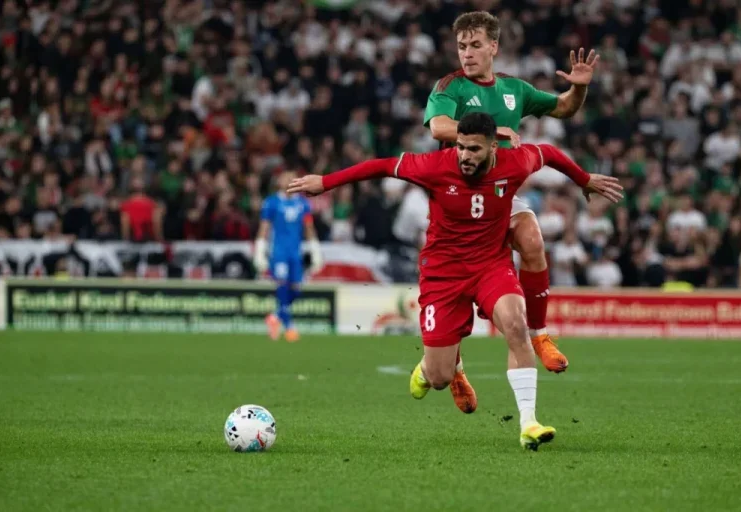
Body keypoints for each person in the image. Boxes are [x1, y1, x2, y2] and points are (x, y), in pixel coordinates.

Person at [287, 113, 622, 449]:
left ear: (494, 146)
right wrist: (326, 182)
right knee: (438, 377)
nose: (464, 155)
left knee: (516, 325)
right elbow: (381, 166)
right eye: (461, 146)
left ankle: (528, 422)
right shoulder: (435, 165)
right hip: (443, 275)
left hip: (491, 266)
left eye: (474, 149)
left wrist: (583, 179)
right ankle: (440, 367)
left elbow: (548, 153)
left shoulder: (515, 162)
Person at [423, 12, 599, 398]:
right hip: (457, 200)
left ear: (493, 47)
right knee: (452, 300)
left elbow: (566, 108)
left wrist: (580, 88)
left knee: (533, 238)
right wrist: (488, 131)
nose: (466, 54)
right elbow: (438, 127)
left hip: (499, 193)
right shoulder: (449, 87)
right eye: (461, 46)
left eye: (474, 45)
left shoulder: (515, 90)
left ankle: (539, 336)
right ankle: (452, 367)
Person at [254, 170, 323, 342]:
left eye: (293, 178)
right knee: (282, 287)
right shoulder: (271, 203)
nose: (290, 180)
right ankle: (289, 327)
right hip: (279, 253)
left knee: (296, 290)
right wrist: (260, 251)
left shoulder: (303, 204)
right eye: (286, 178)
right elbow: (264, 227)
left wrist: (315, 250)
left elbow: (308, 228)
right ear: (278, 182)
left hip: (295, 253)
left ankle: (275, 318)